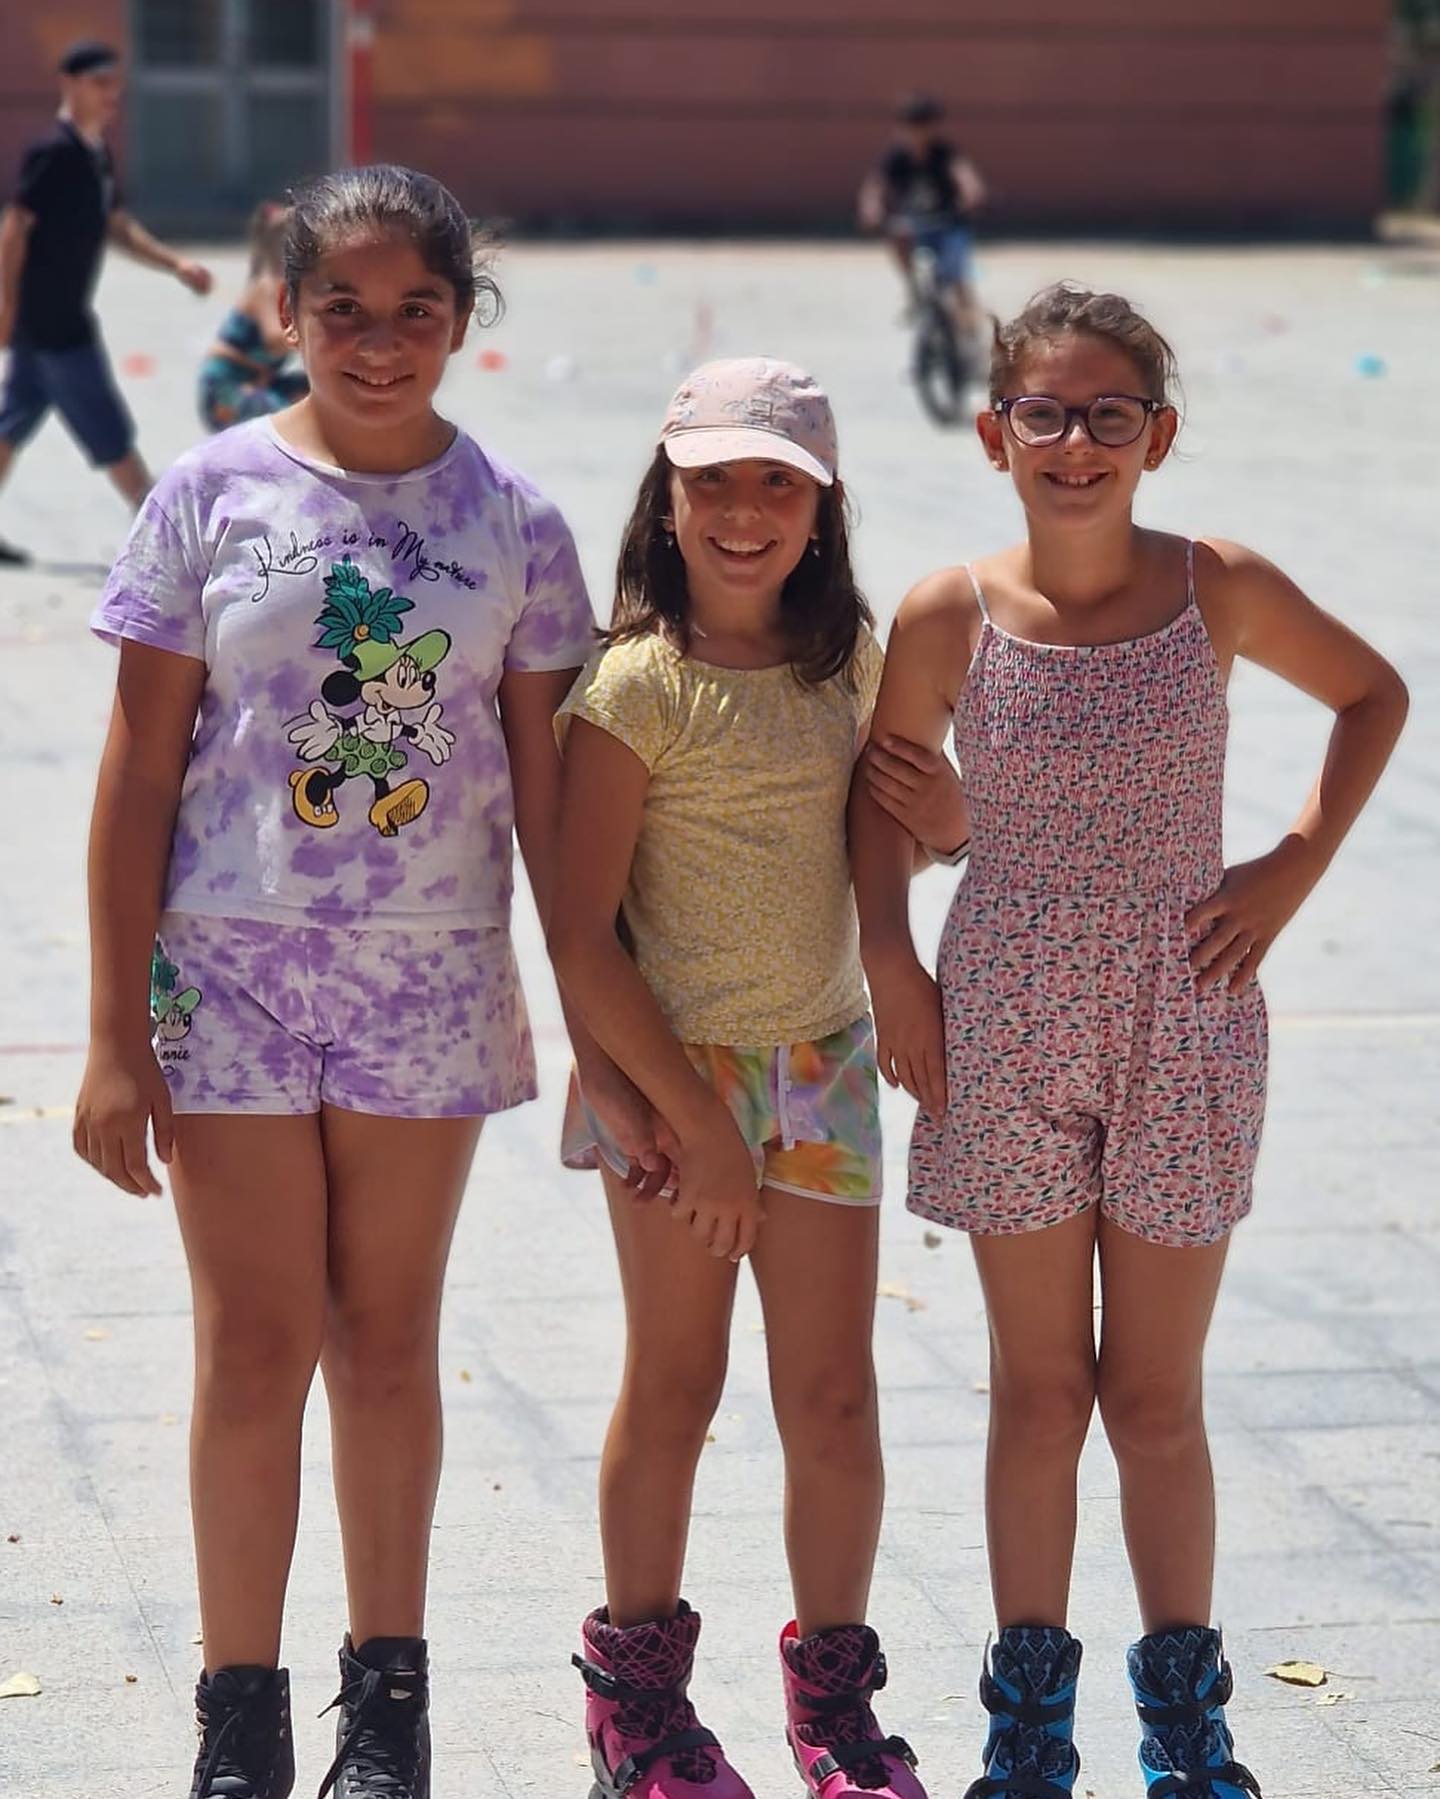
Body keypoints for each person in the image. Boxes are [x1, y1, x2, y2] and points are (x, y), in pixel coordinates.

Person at [73, 164, 597, 1799]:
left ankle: (389, 1711)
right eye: (343, 310)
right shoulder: (205, 497)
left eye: (415, 310)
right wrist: (110, 1033)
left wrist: (608, 1033)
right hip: (224, 977)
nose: (378, 342)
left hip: (428, 984)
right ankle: (239, 1714)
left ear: (462, 318)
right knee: (253, 1343)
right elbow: (136, 776)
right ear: (286, 310)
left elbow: (558, 812)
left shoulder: (517, 525)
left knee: (384, 1338)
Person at [851, 283, 1408, 1799]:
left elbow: (1373, 694)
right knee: (1038, 1392)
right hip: (1005, 1020)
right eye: (1045, 411)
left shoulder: (1218, 587)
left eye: (1111, 413)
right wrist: (893, 961)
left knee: (1155, 1397)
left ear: (1157, 436)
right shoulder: (948, 614)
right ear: (995, 434)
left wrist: (1289, 867)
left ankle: (1186, 1727)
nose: (1076, 442)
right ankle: (1030, 1729)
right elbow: (884, 801)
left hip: (1188, 1014)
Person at [547, 358, 969, 1799]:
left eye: (776, 481)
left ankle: (835, 1713)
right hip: (672, 1078)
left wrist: (951, 821)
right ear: (665, 498)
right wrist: (698, 1129)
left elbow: (896, 832)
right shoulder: (634, 686)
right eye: (713, 480)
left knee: (835, 1397)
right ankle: (636, 1712)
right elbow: (580, 933)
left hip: (824, 1064)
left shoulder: (850, 663)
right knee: (675, 1382)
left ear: (822, 504)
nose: (743, 510)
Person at [0, 39, 213, 565]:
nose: (110, 94)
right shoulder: (53, 152)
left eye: (114, 84)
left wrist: (174, 264)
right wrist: (5, 305)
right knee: (107, 428)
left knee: (12, 422)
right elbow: (15, 229)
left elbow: (116, 225)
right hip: (53, 323)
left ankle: (167, 536)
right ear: (69, 84)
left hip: (54, 321)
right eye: (99, 83)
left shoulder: (96, 154)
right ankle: (170, 541)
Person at [858, 94, 986, 338]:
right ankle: (913, 290)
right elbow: (875, 185)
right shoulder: (896, 157)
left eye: (922, 126)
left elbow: (964, 176)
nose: (917, 133)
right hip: (914, 225)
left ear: (933, 126)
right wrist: (871, 208)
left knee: (956, 278)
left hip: (948, 223)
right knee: (898, 237)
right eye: (911, 127)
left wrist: (971, 194)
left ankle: (969, 335)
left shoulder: (944, 153)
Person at [199, 201, 308, 431]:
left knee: (317, 393)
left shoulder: (281, 285)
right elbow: (275, 339)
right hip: (226, 388)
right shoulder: (267, 285)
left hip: (256, 380)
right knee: (290, 421)